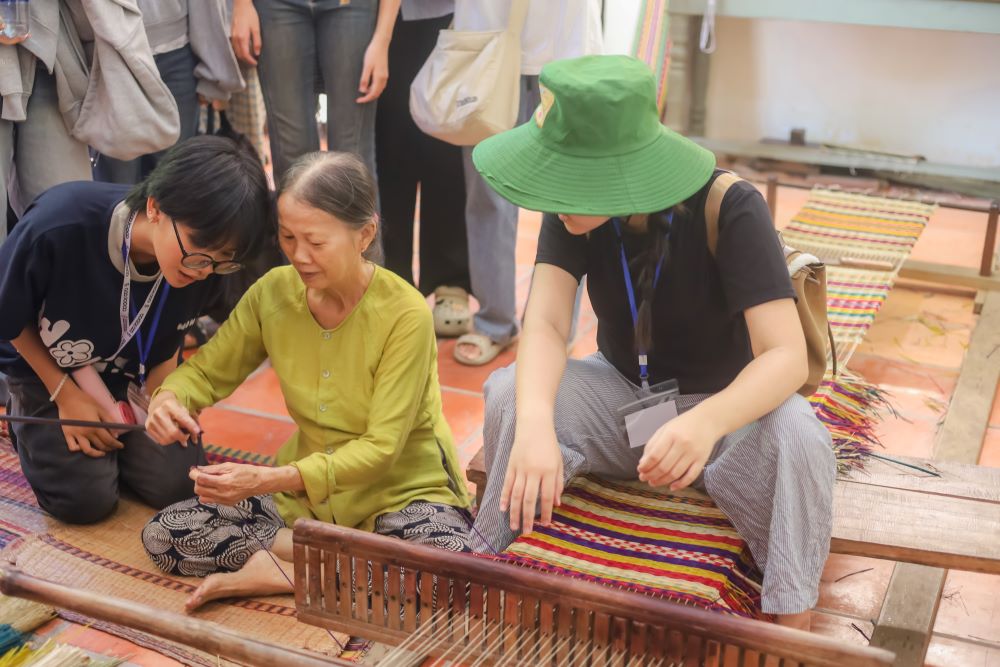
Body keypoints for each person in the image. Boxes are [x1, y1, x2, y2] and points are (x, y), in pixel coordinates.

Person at [470, 56, 836, 631]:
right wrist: (538, 422)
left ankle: (792, 629)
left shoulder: (732, 206)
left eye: (568, 177)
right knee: (509, 392)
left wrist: (706, 422)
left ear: (617, 171)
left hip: (724, 423)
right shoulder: (570, 210)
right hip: (624, 403)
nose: (554, 193)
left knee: (802, 438)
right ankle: (491, 566)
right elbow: (543, 325)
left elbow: (785, 356)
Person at [140, 152, 472, 611]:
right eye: (288, 237)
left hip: (398, 494)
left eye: (315, 241)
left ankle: (281, 568)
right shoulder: (273, 292)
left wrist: (271, 478)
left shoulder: (406, 315)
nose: (298, 255)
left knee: (452, 573)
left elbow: (382, 448)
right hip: (304, 504)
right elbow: (206, 370)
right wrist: (169, 397)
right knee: (166, 533)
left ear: (364, 235)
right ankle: (326, 568)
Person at [0, 136, 271, 524]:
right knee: (85, 501)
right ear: (156, 207)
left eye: (223, 260)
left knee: (180, 485)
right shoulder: (61, 224)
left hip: (134, 375)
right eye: (198, 248)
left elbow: (167, 345)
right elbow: (8, 316)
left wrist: (165, 401)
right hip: (49, 370)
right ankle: (33, 420)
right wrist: (65, 396)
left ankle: (115, 443)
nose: (202, 270)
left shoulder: (209, 265)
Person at [453, 0, 603, 365]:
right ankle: (494, 321)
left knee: (568, 199)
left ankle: (554, 326)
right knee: (486, 188)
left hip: (566, 48)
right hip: (484, 42)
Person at [376, 0, 471, 337]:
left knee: (447, 144)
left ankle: (451, 281)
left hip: (450, 14)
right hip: (377, 18)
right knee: (387, 145)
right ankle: (392, 277)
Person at [228, 0, 401, 183]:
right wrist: (242, 5)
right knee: (291, 156)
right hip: (276, 6)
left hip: (353, 5)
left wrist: (383, 39)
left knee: (352, 156)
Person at [94, 0, 244, 184]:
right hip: (112, 48)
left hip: (177, 51)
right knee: (119, 180)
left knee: (174, 177)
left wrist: (213, 69)